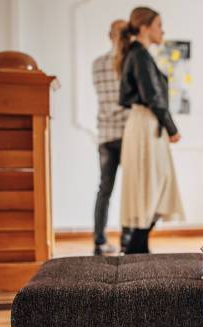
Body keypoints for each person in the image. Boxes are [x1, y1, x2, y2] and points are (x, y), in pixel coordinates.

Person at [115, 6, 185, 254]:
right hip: (145, 124)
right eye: (158, 25)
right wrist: (171, 127)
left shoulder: (139, 54)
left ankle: (138, 246)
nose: (162, 30)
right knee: (154, 184)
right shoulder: (140, 55)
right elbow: (153, 96)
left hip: (145, 124)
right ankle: (136, 247)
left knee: (155, 184)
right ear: (144, 28)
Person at [92, 19, 132, 255]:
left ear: (110, 36)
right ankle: (127, 238)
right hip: (127, 134)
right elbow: (127, 103)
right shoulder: (128, 63)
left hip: (105, 134)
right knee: (130, 189)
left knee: (104, 189)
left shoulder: (97, 64)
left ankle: (99, 240)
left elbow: (104, 99)